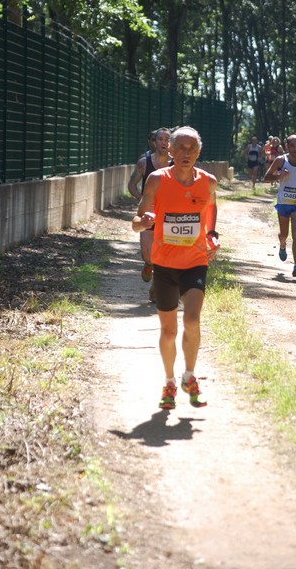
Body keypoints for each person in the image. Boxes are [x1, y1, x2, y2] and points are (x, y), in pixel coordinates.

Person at [132, 126, 219, 410]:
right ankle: (169, 382)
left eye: (191, 148)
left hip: (195, 261)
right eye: (180, 148)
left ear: (199, 151)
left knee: (192, 320)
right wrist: (143, 222)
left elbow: (211, 210)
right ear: (169, 150)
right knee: (168, 331)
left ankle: (190, 377)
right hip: (165, 264)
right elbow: (136, 221)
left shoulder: (208, 182)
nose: (186, 153)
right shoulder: (157, 179)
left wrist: (211, 234)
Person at [264, 134, 296, 278]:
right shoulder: (281, 160)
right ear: (287, 146)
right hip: (283, 203)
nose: (294, 148)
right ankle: (282, 244)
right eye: (291, 146)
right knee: (284, 234)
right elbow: (266, 177)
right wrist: (279, 176)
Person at [128, 127, 171, 301]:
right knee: (147, 253)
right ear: (154, 142)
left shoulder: (176, 165)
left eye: (167, 139)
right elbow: (131, 185)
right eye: (160, 139)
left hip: (169, 215)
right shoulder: (143, 163)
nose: (163, 142)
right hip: (149, 213)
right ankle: (148, 263)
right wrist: (143, 199)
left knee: (166, 251)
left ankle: (157, 285)